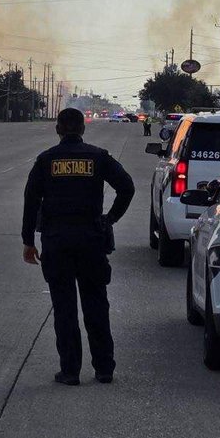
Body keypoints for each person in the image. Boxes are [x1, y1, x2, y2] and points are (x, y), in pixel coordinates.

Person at [21, 107, 135, 385]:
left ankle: (70, 371)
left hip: (57, 241)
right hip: (91, 240)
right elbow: (127, 187)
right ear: (83, 129)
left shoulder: (46, 160)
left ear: (58, 129)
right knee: (96, 304)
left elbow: (31, 200)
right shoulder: (97, 157)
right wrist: (109, 219)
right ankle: (104, 369)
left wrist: (28, 240)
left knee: (65, 308)